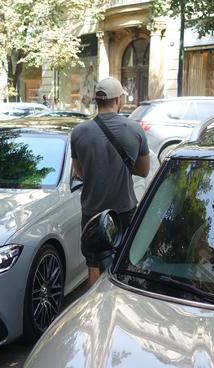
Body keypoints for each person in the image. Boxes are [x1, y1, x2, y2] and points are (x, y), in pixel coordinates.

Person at [70, 77, 151, 287]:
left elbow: (81, 172)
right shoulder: (135, 130)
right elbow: (144, 171)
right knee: (125, 267)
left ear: (97, 100)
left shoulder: (79, 132)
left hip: (92, 213)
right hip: (124, 210)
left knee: (94, 268)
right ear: (119, 100)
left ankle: (95, 314)